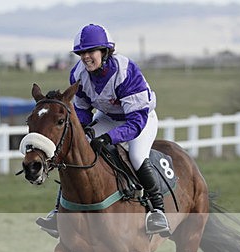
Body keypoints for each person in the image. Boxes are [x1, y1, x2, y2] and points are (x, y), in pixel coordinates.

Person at [36, 23, 171, 238]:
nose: (86, 57)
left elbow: (135, 122)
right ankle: (58, 210)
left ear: (105, 51)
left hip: (140, 119)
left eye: (91, 52)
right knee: (77, 149)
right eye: (81, 53)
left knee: (136, 156)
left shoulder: (126, 72)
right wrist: (85, 131)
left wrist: (109, 137)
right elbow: (81, 110)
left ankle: (157, 210)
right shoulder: (78, 74)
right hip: (108, 117)